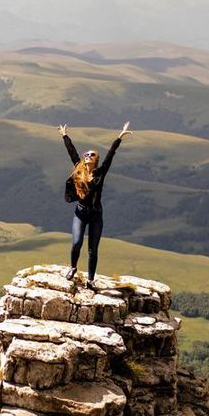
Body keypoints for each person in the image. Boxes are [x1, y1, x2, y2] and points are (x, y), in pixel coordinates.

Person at [59, 121, 133, 290]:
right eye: (87, 154)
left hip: (96, 215)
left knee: (93, 249)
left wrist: (120, 136)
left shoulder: (100, 173)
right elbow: (72, 152)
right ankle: (73, 267)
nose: (88, 156)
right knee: (76, 243)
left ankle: (90, 280)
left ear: (96, 159)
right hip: (80, 213)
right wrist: (64, 135)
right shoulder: (79, 169)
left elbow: (111, 155)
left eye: (92, 155)